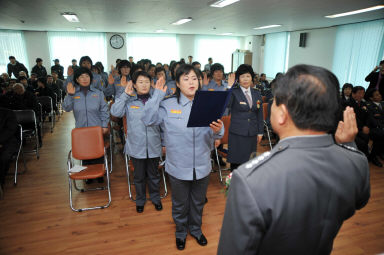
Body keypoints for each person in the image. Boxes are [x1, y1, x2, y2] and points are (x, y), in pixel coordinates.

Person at [217, 64, 370, 255]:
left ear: (281, 114)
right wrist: (348, 145)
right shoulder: (356, 162)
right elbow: (360, 199)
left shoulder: (251, 180)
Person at [142, 64, 224, 250]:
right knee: (180, 204)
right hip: (178, 165)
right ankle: (180, 232)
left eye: (194, 78)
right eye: (186, 79)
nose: (191, 82)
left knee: (198, 201)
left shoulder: (209, 103)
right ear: (177, 84)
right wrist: (156, 96)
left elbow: (218, 132)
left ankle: (195, 229)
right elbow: (147, 120)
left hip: (202, 164)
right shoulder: (168, 104)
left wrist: (220, 130)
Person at [111, 71, 163, 213]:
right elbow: (115, 112)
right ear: (134, 84)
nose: (144, 85)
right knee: (139, 176)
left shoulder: (156, 99)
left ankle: (155, 198)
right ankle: (140, 200)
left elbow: (163, 123)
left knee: (154, 175)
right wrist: (125, 94)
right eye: (140, 82)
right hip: (136, 145)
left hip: (153, 144)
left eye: (147, 81)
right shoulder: (129, 101)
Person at [226, 64, 263, 171]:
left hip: (252, 133)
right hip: (237, 134)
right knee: (236, 164)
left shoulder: (256, 93)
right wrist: (229, 87)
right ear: (238, 79)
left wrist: (260, 132)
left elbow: (259, 114)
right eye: (242, 76)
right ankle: (233, 186)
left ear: (251, 77)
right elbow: (226, 106)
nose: (245, 79)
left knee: (250, 162)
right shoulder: (233, 92)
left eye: (248, 76)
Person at [0, 107, 19, 198]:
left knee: (3, 157)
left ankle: (1, 182)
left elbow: (10, 130)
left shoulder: (8, 113)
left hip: (8, 141)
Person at [366, 89, 384, 167]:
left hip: (381, 126)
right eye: (377, 95)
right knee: (380, 135)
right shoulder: (368, 106)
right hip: (373, 128)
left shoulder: (383, 104)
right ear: (371, 98)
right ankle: (373, 157)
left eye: (379, 94)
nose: (380, 95)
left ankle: (380, 152)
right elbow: (372, 120)